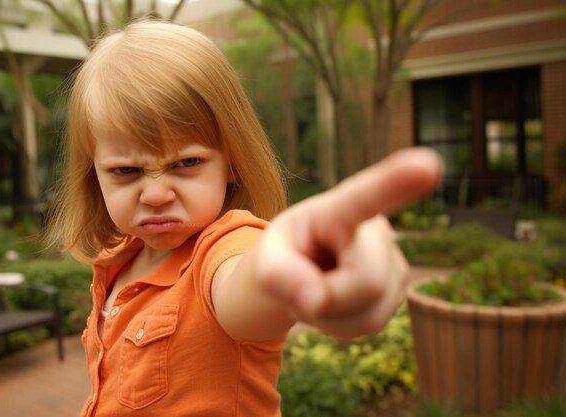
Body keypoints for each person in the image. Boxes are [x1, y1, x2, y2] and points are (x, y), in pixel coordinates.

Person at [45, 18, 443, 417]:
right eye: (125, 171)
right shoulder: (118, 258)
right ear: (92, 172)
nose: (156, 194)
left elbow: (247, 287)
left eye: (186, 162)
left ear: (231, 162)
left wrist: (291, 265)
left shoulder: (227, 248)